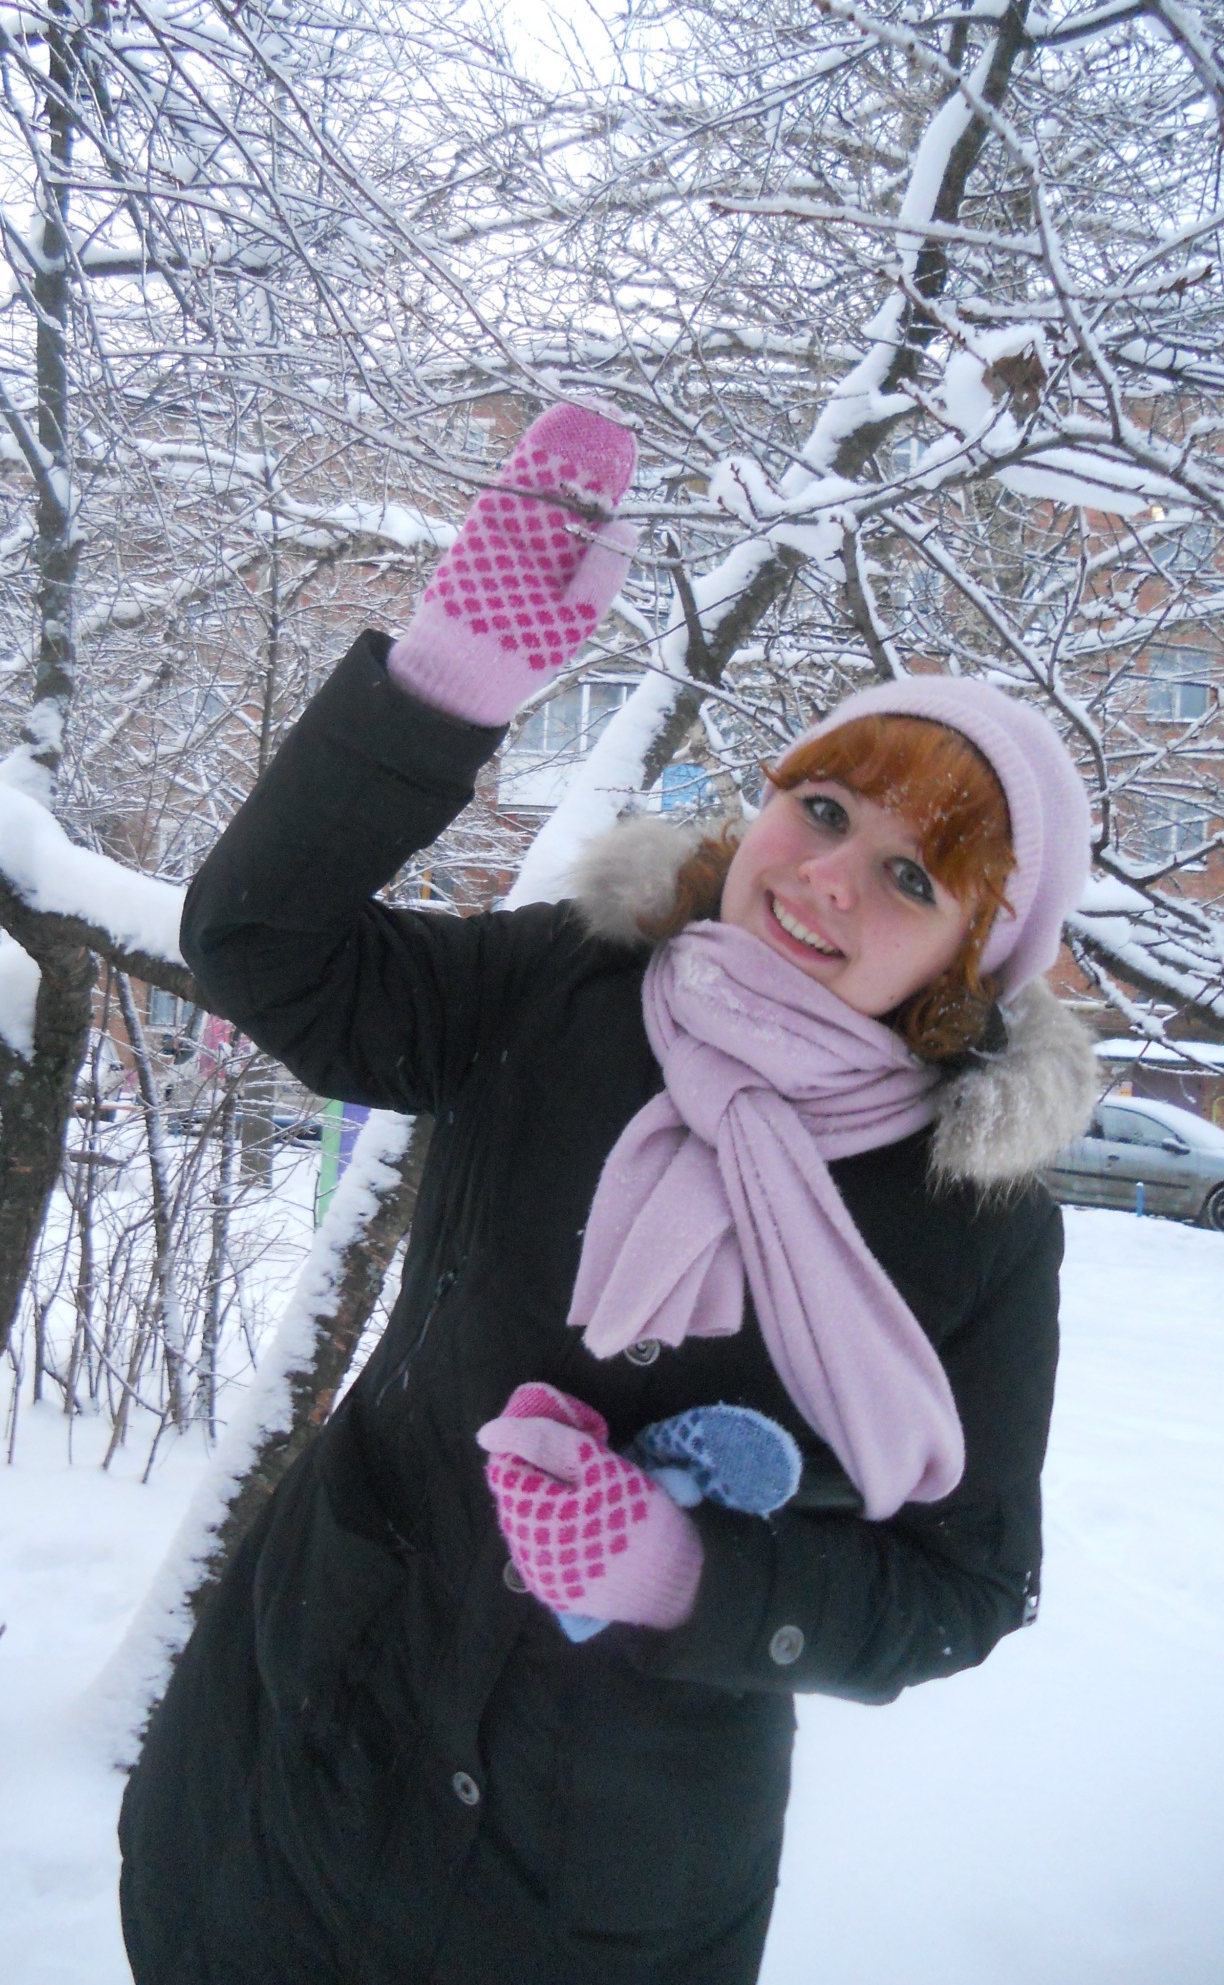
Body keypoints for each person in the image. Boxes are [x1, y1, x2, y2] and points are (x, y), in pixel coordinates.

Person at [119, 404, 1098, 1985]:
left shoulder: (972, 1219)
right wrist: (441, 693)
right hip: (308, 1743)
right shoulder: (569, 985)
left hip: (602, 1872)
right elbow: (263, 947)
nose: (827, 875)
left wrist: (688, 1578)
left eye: (913, 877)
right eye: (823, 809)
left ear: (971, 959)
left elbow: (964, 1587)